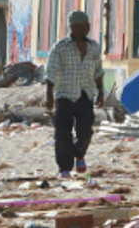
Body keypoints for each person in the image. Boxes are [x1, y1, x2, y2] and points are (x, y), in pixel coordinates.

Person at [44, 11, 105, 179]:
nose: (88, 28)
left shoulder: (93, 47)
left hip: (85, 94)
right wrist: (49, 96)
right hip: (64, 95)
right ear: (74, 27)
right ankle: (64, 168)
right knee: (63, 133)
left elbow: (98, 71)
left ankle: (79, 155)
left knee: (85, 131)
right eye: (85, 25)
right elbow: (51, 72)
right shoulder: (60, 47)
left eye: (88, 25)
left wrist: (100, 93)